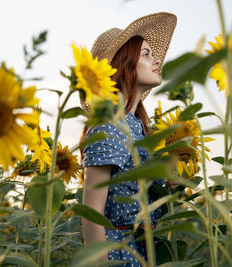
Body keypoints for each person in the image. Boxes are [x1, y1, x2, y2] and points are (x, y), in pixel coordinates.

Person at [80, 12, 177, 266]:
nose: (156, 60)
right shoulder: (109, 127)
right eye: (145, 54)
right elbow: (91, 214)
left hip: (146, 251)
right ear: (123, 65)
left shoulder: (138, 127)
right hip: (119, 254)